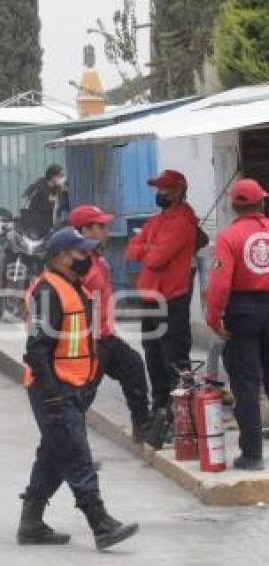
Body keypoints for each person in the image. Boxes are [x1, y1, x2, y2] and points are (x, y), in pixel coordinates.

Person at [18, 226, 139, 551]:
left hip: (73, 385)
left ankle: (30, 523)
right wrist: (52, 393)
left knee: (54, 456)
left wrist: (84, 384)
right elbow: (36, 349)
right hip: (53, 388)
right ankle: (100, 524)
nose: (87, 257)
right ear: (59, 257)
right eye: (80, 253)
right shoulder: (48, 291)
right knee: (75, 454)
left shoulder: (75, 287)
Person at [126, 170, 198, 449]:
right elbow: (132, 252)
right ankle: (161, 413)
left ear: (179, 191)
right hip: (151, 298)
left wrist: (147, 246)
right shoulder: (157, 221)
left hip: (172, 300)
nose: (160, 193)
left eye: (165, 189)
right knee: (153, 355)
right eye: (159, 188)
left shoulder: (182, 222)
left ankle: (181, 417)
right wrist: (147, 246)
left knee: (174, 360)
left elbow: (155, 258)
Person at [69, 205, 151, 441]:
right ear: (85, 231)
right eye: (101, 227)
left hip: (105, 337)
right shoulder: (78, 263)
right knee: (82, 397)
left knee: (133, 366)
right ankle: (71, 449)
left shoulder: (96, 260)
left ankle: (142, 429)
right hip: (90, 341)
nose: (106, 231)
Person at [205, 178, 269, 471]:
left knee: (245, 384)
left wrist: (213, 317)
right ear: (262, 202)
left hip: (242, 311)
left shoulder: (229, 237)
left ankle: (253, 455)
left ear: (233, 205)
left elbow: (220, 284)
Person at [22, 164, 70, 235]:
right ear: (53, 177)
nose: (62, 178)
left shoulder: (54, 187)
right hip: (34, 225)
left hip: (46, 225)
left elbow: (52, 206)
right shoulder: (39, 188)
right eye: (60, 175)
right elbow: (29, 207)